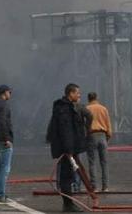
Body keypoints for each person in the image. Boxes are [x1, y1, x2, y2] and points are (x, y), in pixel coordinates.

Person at [47, 83, 89, 212]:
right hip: (66, 149)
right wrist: (69, 150)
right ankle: (68, 205)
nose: (79, 95)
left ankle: (68, 204)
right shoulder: (64, 109)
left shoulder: (66, 107)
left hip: (68, 148)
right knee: (66, 176)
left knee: (68, 175)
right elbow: (66, 131)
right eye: (77, 93)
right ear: (70, 93)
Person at [86, 92, 111, 192]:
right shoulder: (103, 108)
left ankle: (94, 186)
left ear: (88, 99)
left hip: (91, 135)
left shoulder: (87, 109)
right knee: (104, 162)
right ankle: (105, 186)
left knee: (92, 162)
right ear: (97, 98)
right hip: (102, 135)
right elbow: (108, 124)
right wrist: (108, 136)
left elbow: (84, 124)